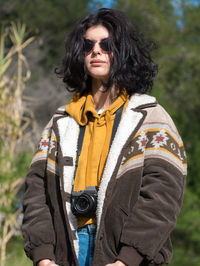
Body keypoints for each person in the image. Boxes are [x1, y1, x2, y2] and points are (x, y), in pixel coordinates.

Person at [22, 8, 187, 266]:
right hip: (66, 253)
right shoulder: (60, 122)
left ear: (122, 52)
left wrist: (127, 259)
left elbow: (162, 198)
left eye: (106, 44)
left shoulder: (151, 117)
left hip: (124, 255)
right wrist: (43, 255)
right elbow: (35, 193)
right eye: (88, 45)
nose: (96, 51)